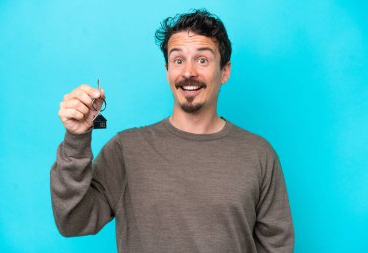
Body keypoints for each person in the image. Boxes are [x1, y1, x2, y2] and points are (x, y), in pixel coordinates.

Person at [50, 9, 294, 253]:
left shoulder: (259, 154)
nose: (188, 72)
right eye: (178, 60)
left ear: (225, 71)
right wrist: (76, 139)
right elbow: (72, 221)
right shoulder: (126, 150)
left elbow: (277, 247)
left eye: (202, 60)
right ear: (168, 70)